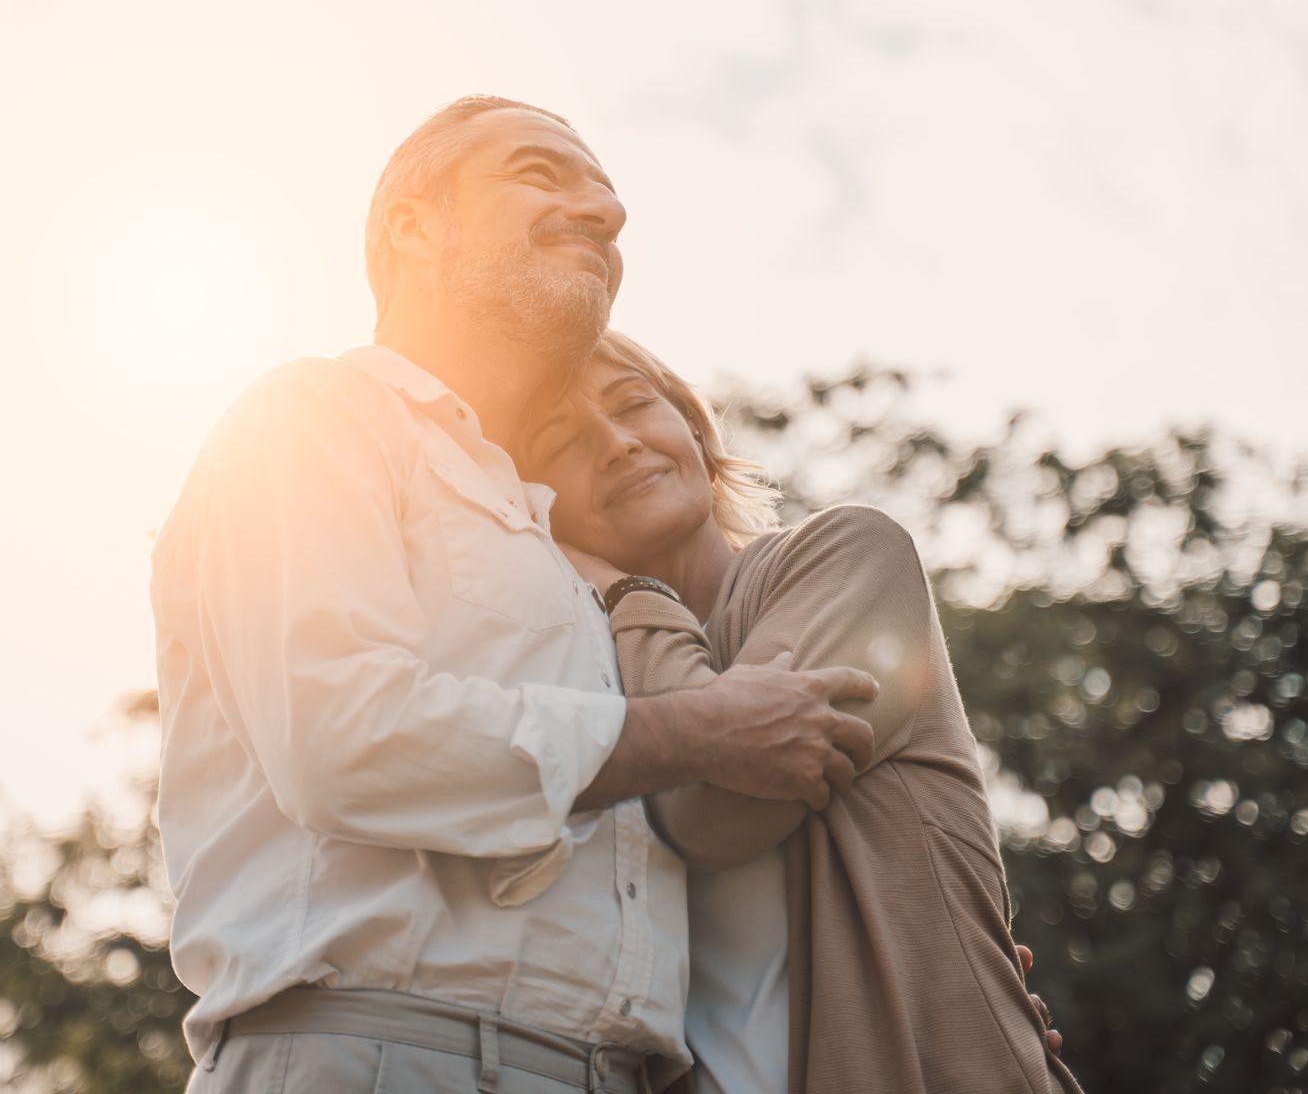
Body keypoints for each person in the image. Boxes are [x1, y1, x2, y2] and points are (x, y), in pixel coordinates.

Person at [150, 96, 882, 1093]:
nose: (604, 212)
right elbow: (340, 737)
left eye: (607, 195)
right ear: (413, 225)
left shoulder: (562, 546)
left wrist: (917, 976)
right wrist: (695, 732)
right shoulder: (312, 419)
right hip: (383, 1057)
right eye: (543, 173)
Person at [515, 329, 1085, 1094]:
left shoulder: (848, 555)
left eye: (632, 405)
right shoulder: (583, 687)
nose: (616, 444)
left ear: (691, 424)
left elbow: (713, 807)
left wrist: (629, 593)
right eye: (562, 440)